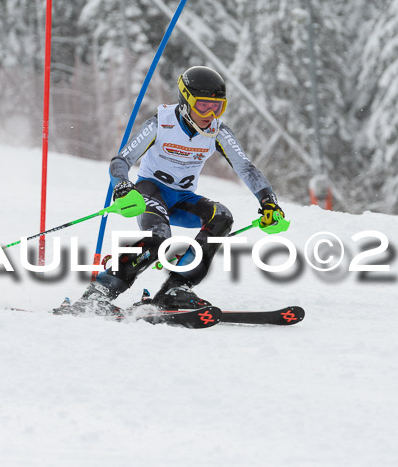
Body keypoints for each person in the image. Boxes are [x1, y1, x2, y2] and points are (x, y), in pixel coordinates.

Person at [66, 66, 285, 314]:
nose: (210, 113)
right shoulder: (161, 123)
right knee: (159, 238)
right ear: (185, 100)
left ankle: (176, 289)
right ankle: (100, 292)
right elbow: (121, 161)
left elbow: (246, 168)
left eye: (217, 107)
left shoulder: (218, 132)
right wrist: (123, 186)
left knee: (222, 217)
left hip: (183, 198)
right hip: (150, 192)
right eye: (203, 105)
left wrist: (268, 201)